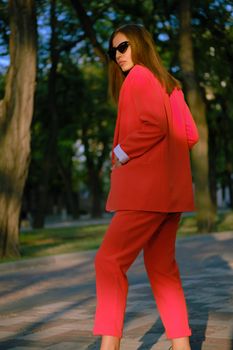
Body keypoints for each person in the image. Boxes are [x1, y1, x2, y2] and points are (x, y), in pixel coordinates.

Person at [93, 23, 199, 350]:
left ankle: (109, 346)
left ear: (139, 44)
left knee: (108, 261)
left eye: (123, 47)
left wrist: (120, 152)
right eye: (113, 51)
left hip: (144, 193)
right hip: (170, 195)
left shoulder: (138, 77)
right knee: (162, 270)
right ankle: (181, 346)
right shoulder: (172, 85)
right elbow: (190, 135)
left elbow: (153, 124)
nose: (118, 55)